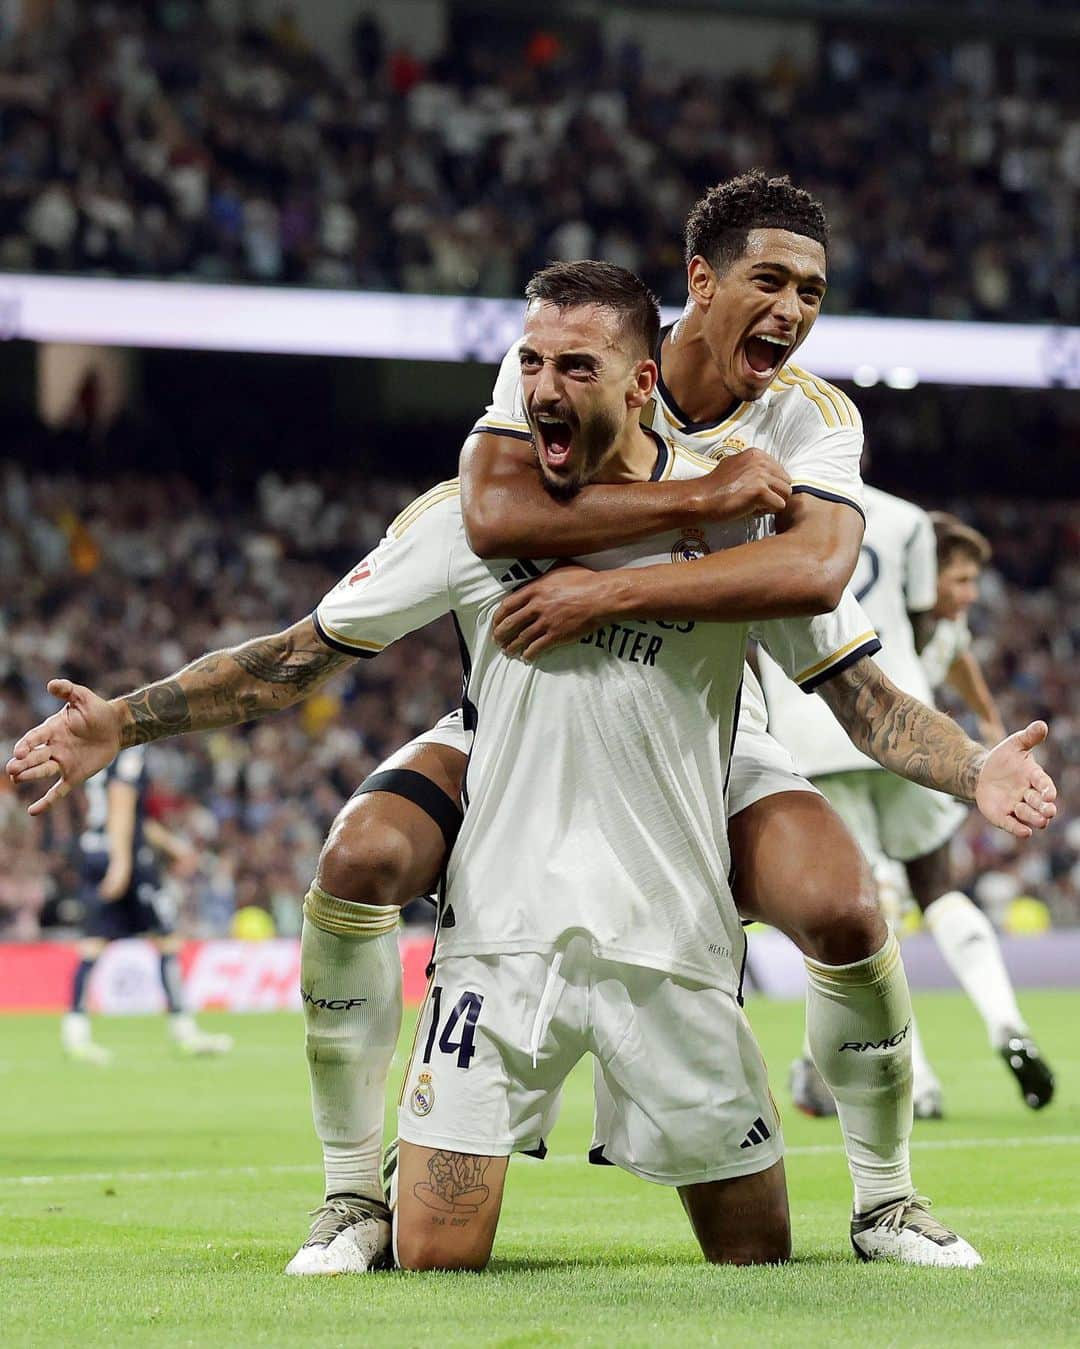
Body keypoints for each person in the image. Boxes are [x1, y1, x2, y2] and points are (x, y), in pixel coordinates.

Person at [8, 265, 1056, 1274]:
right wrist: (123, 723)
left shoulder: (743, 521)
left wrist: (973, 769)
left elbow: (861, 693)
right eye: (531, 366)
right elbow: (295, 655)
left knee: (758, 1240)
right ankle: (353, 1187)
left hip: (674, 879)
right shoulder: (472, 513)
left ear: (642, 382)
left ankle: (886, 1199)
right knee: (434, 1231)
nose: (542, 388)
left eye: (574, 369)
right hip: (509, 882)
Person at [758, 490, 1055, 1119]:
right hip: (904, 721)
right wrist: (983, 720)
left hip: (811, 719)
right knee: (939, 886)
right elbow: (931, 630)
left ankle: (914, 1079)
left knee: (872, 906)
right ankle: (1007, 1022)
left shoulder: (766, 509)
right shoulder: (908, 520)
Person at [62, 740, 233, 1064]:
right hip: (126, 859)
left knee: (95, 943)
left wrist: (172, 846)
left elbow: (133, 819)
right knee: (167, 940)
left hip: (97, 849)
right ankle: (183, 1030)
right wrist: (122, 863)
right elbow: (122, 801)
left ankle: (76, 1033)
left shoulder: (99, 752)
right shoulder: (130, 751)